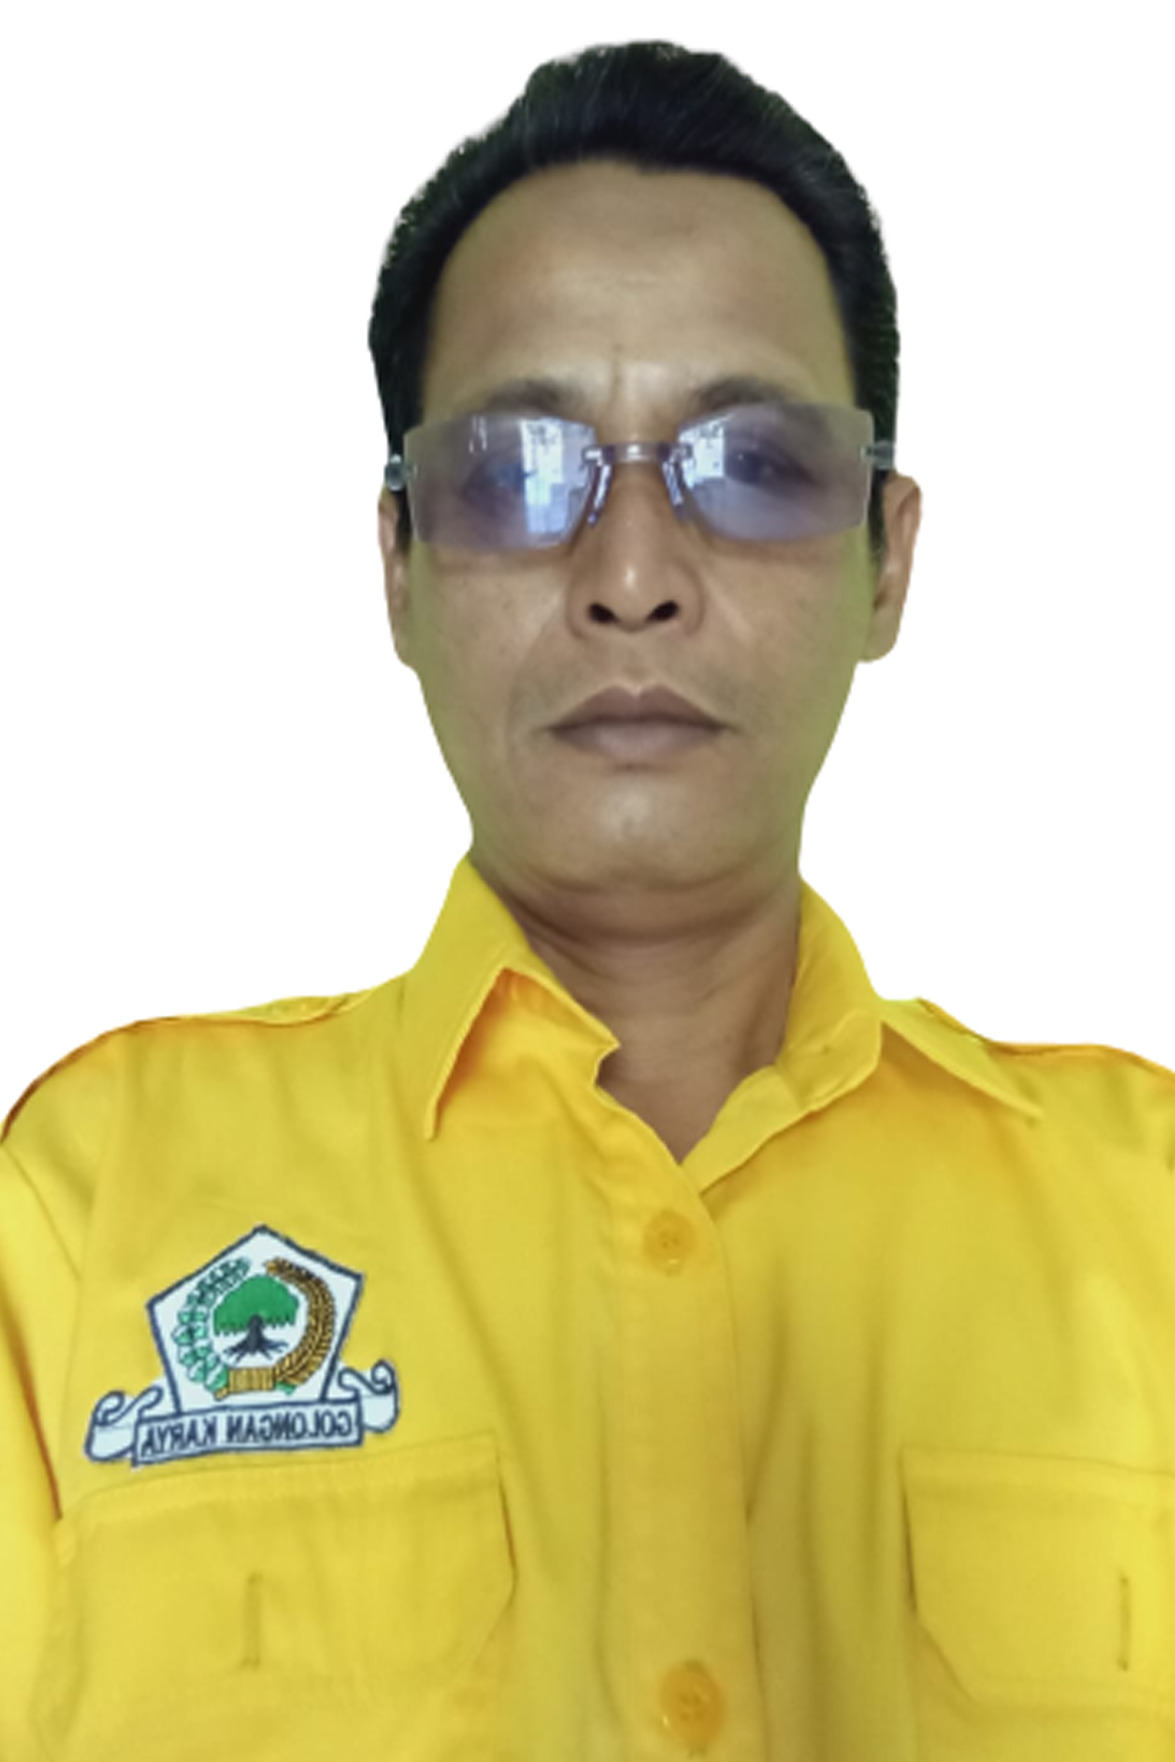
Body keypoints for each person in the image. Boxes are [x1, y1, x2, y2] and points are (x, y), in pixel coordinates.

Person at [3, 38, 1173, 1762]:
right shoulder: (87, 1212)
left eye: (753, 463)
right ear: (399, 567)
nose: (632, 578)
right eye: (513, 472)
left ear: (888, 561)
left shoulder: (1148, 1224)